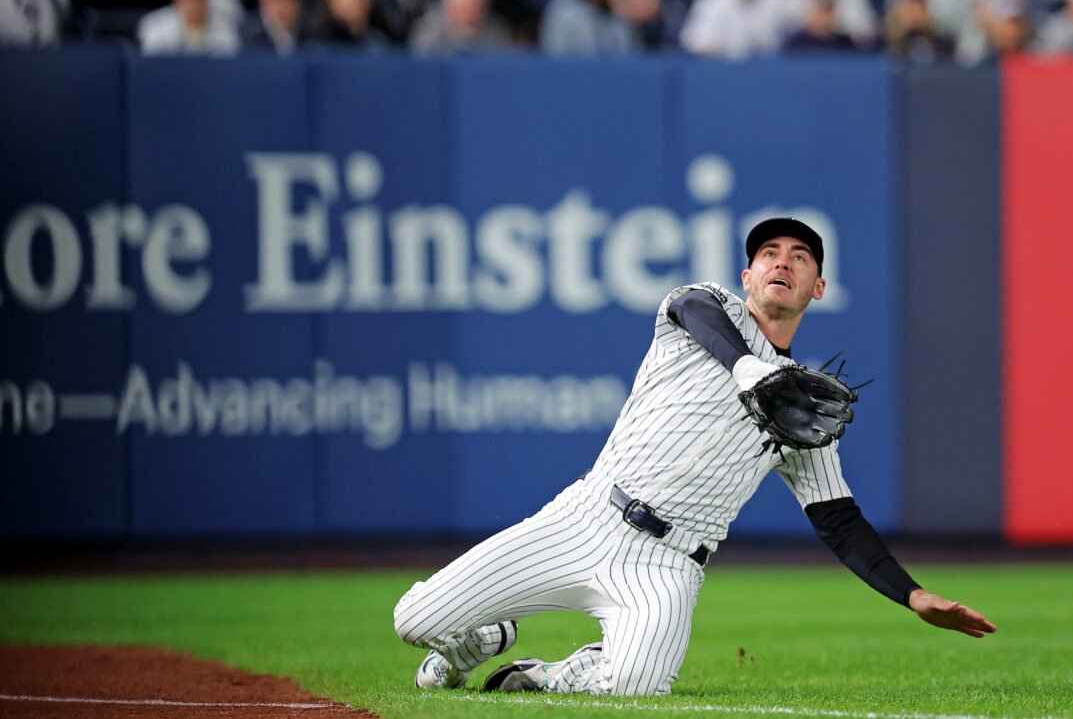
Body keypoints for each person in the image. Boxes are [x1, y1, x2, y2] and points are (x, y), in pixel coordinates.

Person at [393, 217, 997, 696]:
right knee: (413, 621)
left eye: (800, 256)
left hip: (667, 567)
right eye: (769, 253)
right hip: (585, 520)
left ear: (818, 287)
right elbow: (693, 312)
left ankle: (556, 674)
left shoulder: (802, 407)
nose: (782, 261)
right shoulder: (705, 308)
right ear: (748, 274)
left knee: (635, 686)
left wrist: (913, 595)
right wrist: (748, 367)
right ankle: (473, 644)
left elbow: (838, 520)